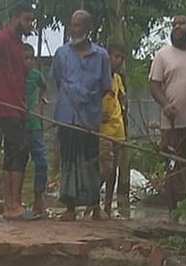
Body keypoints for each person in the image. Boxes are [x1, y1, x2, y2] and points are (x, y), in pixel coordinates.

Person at [52, 9, 111, 220]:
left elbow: (105, 86)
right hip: (67, 116)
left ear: (88, 29)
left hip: (89, 118)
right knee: (68, 161)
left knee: (90, 160)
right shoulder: (61, 54)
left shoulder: (101, 55)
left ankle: (94, 205)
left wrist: (87, 99)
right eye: (72, 25)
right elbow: (58, 82)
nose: (74, 29)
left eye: (78, 25)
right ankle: (70, 208)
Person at [0, 1, 38, 220]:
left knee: (14, 152)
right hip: (4, 105)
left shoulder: (18, 44)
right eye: (27, 19)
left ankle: (11, 205)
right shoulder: (1, 39)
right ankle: (13, 205)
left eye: (31, 19)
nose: (30, 24)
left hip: (18, 106)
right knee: (20, 148)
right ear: (15, 17)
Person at [149, 14, 186, 209]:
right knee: (173, 169)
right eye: (174, 24)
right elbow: (154, 85)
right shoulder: (163, 55)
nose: (177, 27)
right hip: (173, 124)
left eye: (181, 23)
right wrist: (165, 104)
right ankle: (173, 212)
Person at [99, 43, 128, 218]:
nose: (117, 60)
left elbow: (121, 98)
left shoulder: (117, 79)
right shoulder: (98, 77)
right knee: (105, 168)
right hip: (102, 130)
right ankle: (91, 199)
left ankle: (108, 206)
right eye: (114, 56)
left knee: (113, 171)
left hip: (117, 129)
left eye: (120, 58)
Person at [24, 44, 49, 215]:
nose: (27, 62)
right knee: (17, 164)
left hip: (34, 125)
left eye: (30, 58)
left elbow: (44, 86)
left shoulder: (35, 75)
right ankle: (14, 201)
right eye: (24, 58)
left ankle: (38, 198)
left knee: (41, 162)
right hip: (19, 125)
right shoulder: (14, 76)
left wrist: (40, 103)